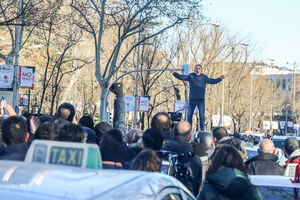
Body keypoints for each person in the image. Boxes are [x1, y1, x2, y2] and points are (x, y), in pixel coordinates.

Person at [171, 64, 224, 131]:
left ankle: (202, 130)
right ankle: (189, 130)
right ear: (194, 70)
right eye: (196, 68)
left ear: (201, 70)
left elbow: (212, 81)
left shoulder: (204, 77)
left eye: (199, 68)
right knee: (189, 116)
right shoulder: (191, 76)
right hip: (192, 100)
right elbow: (181, 77)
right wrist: (174, 73)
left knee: (202, 116)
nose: (197, 70)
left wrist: (220, 79)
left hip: (201, 100)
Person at [162, 120, 202, 196]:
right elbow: (197, 187)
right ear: (190, 137)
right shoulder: (195, 160)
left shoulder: (159, 155)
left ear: (172, 133)